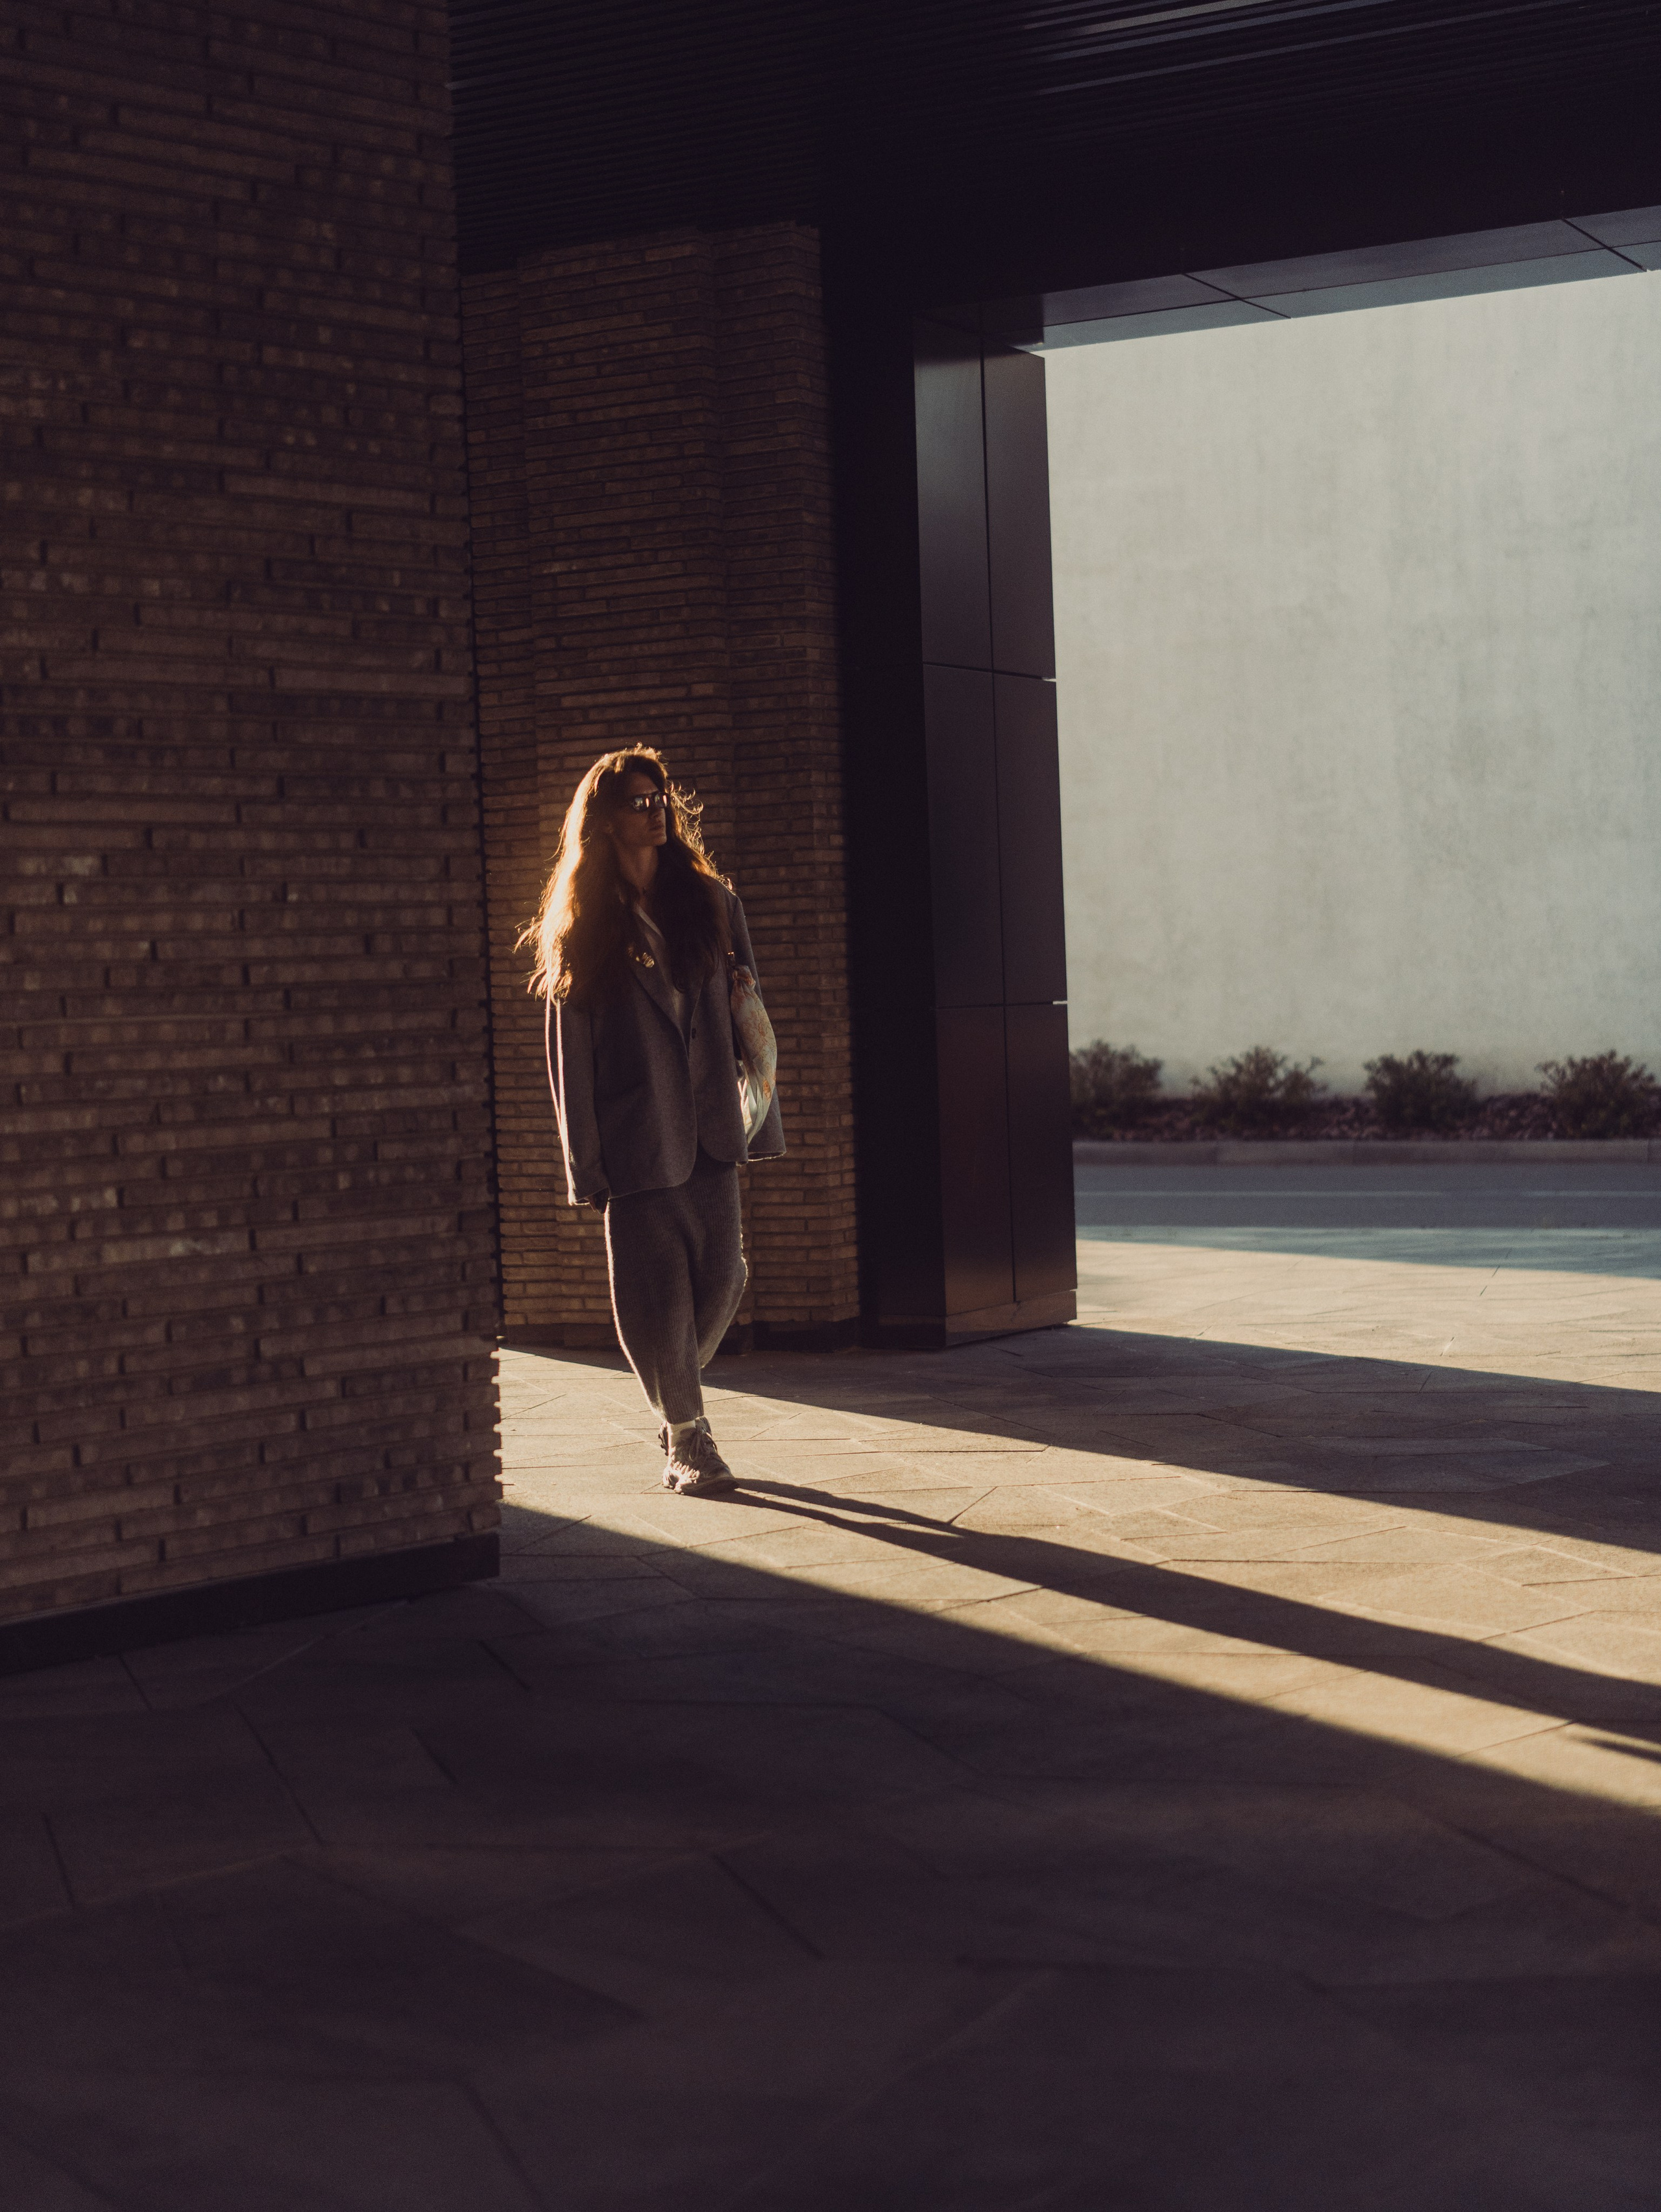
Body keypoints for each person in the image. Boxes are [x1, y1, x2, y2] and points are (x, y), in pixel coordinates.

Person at [522, 749, 783, 1494]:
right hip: (635, 1136)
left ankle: (672, 1391)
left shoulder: (712, 904)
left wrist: (761, 1121)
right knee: (658, 1293)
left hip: (712, 1127)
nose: (657, 810)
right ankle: (689, 1441)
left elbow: (751, 1020)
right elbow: (569, 1057)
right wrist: (586, 1164)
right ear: (605, 820)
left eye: (660, 797)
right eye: (639, 802)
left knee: (724, 1277)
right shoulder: (582, 927)